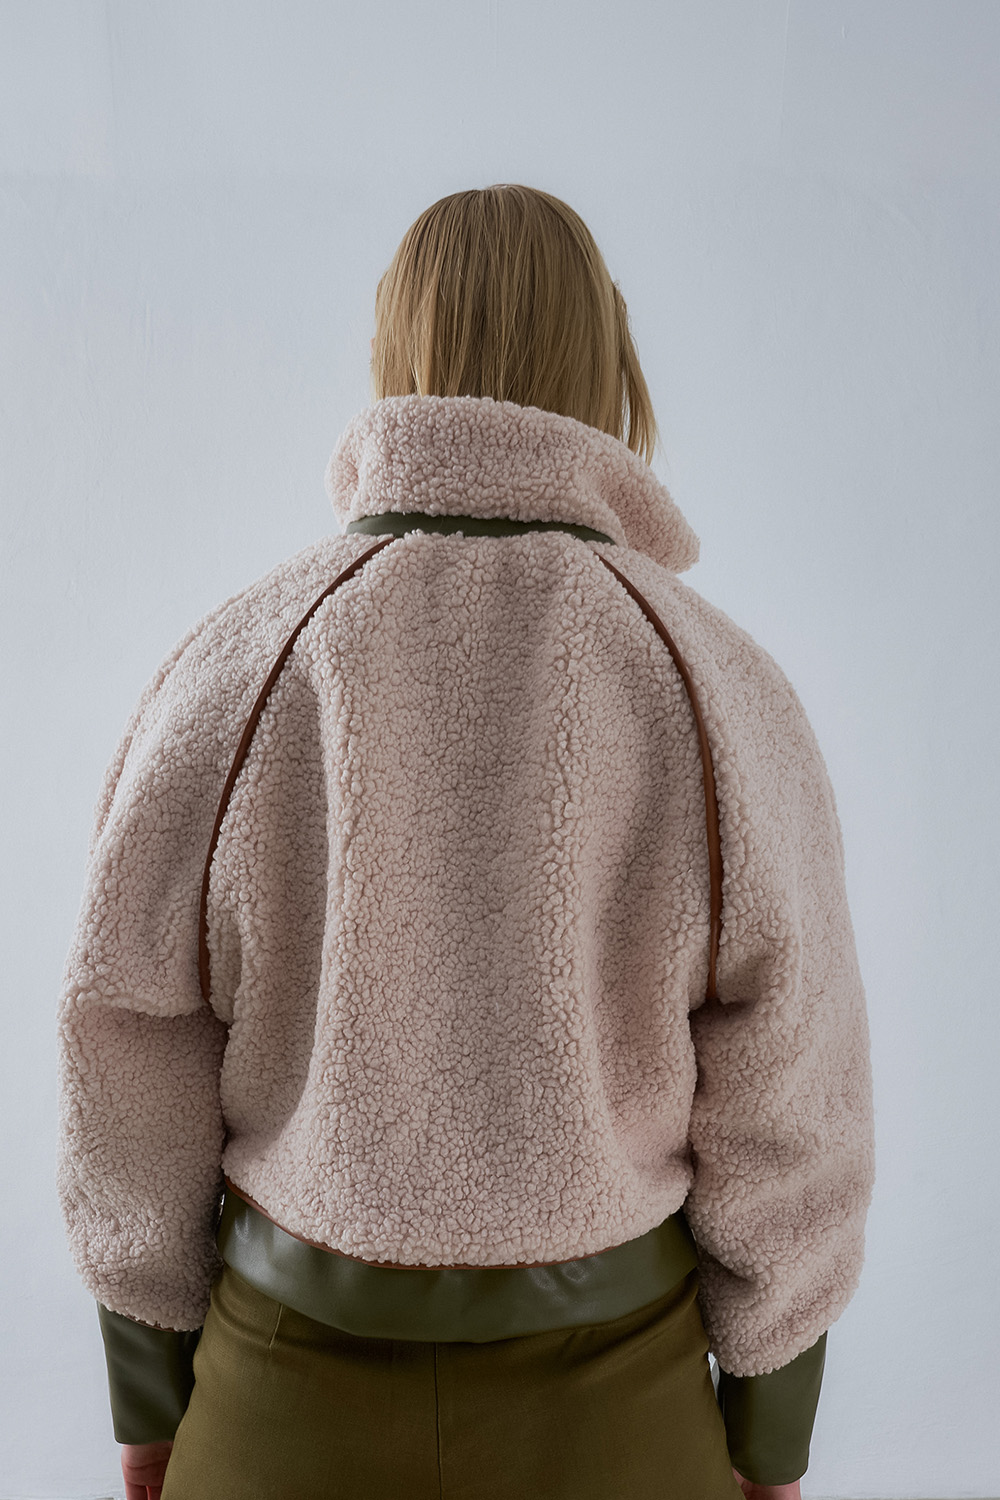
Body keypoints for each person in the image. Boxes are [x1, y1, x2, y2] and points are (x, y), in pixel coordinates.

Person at [56, 183, 876, 1500]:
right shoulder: (715, 687)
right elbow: (794, 1090)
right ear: (609, 362)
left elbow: (126, 1048)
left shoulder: (239, 665)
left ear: (394, 349)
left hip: (282, 1407)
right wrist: (770, 1429)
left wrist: (150, 1393)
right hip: (618, 1421)